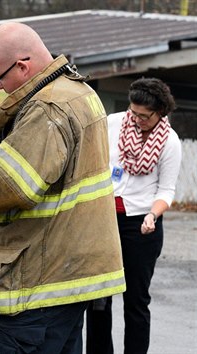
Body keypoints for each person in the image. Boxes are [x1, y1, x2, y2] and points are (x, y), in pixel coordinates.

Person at [0, 22, 126, 353]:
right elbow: (50, 173)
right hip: (69, 280)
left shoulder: (47, 107)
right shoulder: (80, 92)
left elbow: (9, 189)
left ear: (22, 65)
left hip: (34, 285)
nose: (0, 89)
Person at [86, 77, 182, 354]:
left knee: (136, 301)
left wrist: (153, 214)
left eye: (145, 116)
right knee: (98, 299)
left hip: (141, 224)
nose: (137, 119)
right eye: (134, 112)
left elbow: (166, 189)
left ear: (160, 112)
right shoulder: (113, 123)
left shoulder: (170, 142)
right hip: (103, 219)